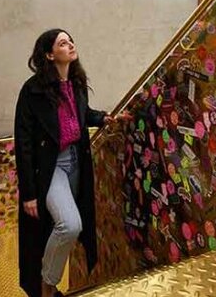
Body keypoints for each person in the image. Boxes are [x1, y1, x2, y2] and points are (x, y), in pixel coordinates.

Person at [14, 29, 127, 297]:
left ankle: (48, 282)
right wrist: (28, 193)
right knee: (70, 224)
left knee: (70, 226)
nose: (70, 45)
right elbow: (24, 143)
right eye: (62, 43)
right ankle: (47, 283)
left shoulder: (75, 82)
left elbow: (81, 114)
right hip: (52, 167)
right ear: (50, 54)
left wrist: (103, 118)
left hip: (77, 161)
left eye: (71, 40)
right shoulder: (33, 91)